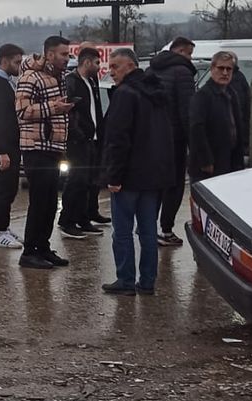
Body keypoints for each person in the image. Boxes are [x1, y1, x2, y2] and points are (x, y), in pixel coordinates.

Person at [100, 48, 174, 296]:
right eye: (110, 67)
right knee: (148, 231)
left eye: (115, 67)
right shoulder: (157, 94)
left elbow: (118, 139)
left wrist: (113, 176)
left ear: (130, 66)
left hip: (129, 176)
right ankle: (148, 281)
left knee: (122, 231)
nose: (111, 72)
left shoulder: (125, 94)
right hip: (153, 175)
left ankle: (126, 280)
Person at [16, 35, 75, 269]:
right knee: (39, 201)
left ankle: (43, 247)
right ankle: (29, 251)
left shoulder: (59, 77)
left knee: (50, 202)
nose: (67, 58)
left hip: (54, 147)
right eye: (63, 54)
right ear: (49, 54)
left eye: (68, 54)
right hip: (36, 148)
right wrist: (54, 107)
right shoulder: (30, 77)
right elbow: (21, 111)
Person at [148, 37, 197, 246]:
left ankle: (148, 226)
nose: (190, 58)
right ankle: (165, 230)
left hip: (153, 135)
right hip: (175, 137)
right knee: (174, 185)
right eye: (189, 54)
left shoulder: (151, 70)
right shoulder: (183, 73)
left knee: (155, 184)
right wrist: (193, 144)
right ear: (181, 51)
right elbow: (187, 111)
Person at [59, 46, 106, 238]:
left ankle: (83, 218)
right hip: (78, 141)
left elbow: (95, 110)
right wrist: (77, 134)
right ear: (86, 62)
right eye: (96, 63)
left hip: (92, 139)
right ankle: (67, 221)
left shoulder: (92, 82)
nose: (99, 66)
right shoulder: (72, 82)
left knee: (88, 181)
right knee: (76, 181)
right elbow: (69, 112)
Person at [0, 44, 25, 251]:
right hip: (3, 148)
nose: (19, 66)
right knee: (4, 189)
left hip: (10, 145)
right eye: (17, 62)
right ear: (5, 60)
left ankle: (4, 227)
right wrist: (1, 151)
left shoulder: (6, 82)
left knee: (10, 189)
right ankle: (0, 232)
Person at [189, 51, 246, 183]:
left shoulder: (232, 94)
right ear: (212, 69)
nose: (225, 73)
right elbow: (196, 130)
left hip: (230, 162)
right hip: (209, 166)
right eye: (221, 68)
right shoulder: (202, 96)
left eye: (229, 69)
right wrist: (206, 161)